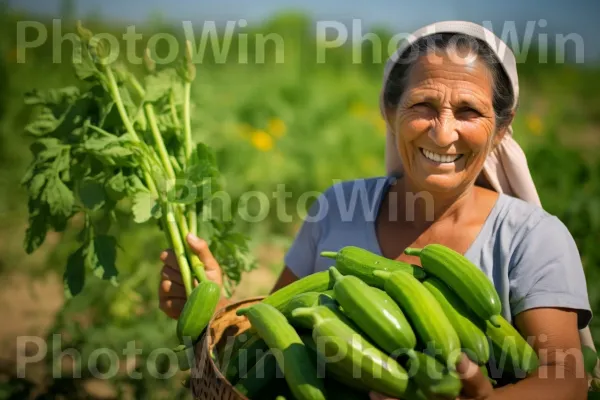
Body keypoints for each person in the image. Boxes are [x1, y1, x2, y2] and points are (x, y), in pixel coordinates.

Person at [159, 21, 594, 399]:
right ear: (390, 111)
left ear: (501, 126)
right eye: (423, 105)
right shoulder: (336, 209)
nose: (443, 134)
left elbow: (566, 380)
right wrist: (212, 307)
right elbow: (278, 336)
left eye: (468, 111)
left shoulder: (533, 238)